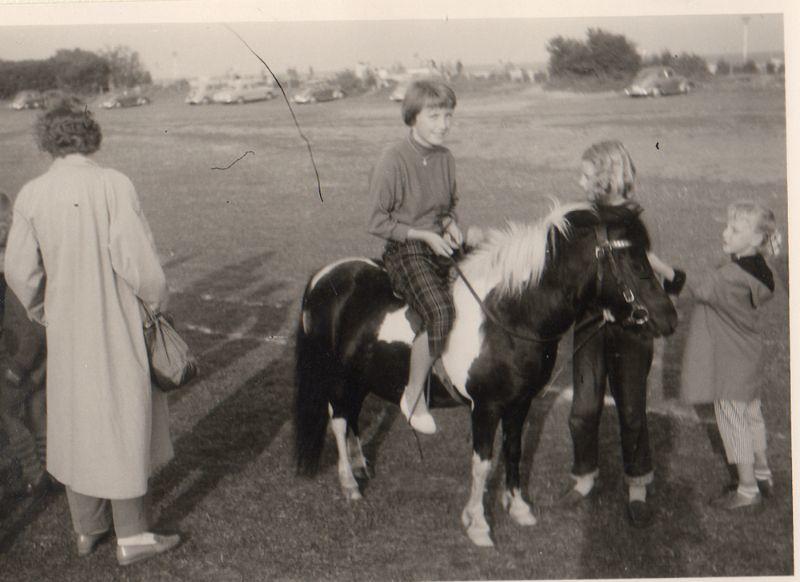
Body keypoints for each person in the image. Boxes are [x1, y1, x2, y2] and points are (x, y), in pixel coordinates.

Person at [5, 98, 180, 565]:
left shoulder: (32, 194)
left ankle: (88, 529)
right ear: (90, 134)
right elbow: (138, 262)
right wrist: (157, 303)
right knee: (120, 421)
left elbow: (19, 270)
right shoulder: (113, 184)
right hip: (116, 320)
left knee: (75, 421)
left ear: (48, 140)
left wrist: (45, 311)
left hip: (66, 325)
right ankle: (133, 537)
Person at [561, 140, 685, 527]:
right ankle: (585, 475)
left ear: (605, 177)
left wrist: (669, 277)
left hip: (631, 330)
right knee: (583, 410)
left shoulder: (635, 221)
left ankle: (637, 483)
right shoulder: (579, 219)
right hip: (590, 327)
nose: (579, 180)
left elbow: (646, 267)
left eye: (585, 173)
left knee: (632, 410)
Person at [368, 79, 463, 434]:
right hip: (405, 248)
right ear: (413, 117)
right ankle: (413, 394)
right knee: (439, 311)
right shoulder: (393, 159)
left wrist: (452, 224)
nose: (444, 124)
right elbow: (377, 221)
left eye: (448, 116)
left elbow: (449, 207)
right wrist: (424, 234)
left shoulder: (446, 158)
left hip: (439, 242)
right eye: (434, 116)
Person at [675, 201, 780, 510]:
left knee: (732, 419)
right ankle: (762, 472)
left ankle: (747, 490)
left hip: (731, 363)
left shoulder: (730, 276)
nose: (725, 232)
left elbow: (696, 287)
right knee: (752, 415)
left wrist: (656, 265)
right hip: (749, 356)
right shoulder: (765, 271)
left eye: (735, 229)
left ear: (758, 239)